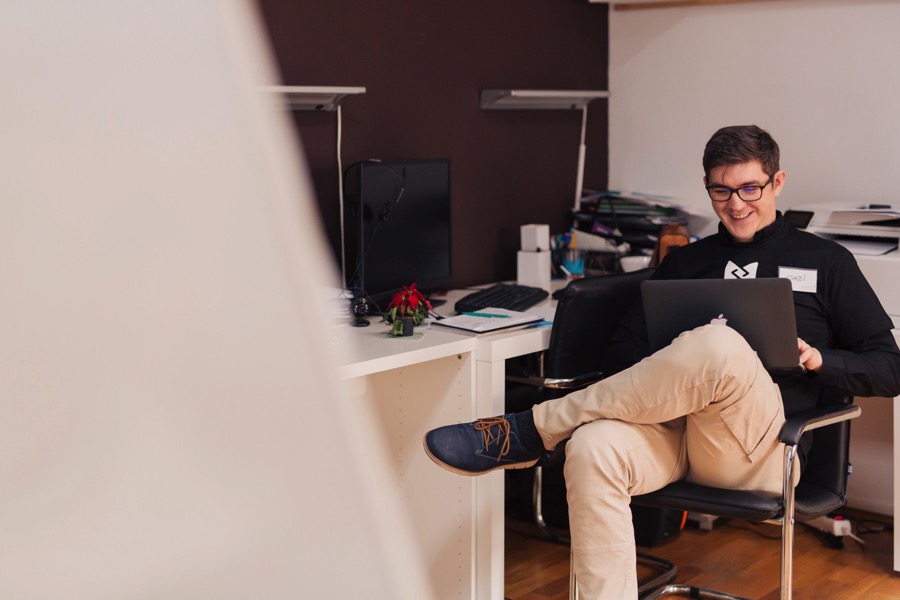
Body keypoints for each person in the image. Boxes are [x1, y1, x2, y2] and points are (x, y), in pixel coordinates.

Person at [423, 125, 900, 599]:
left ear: (777, 182)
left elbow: (889, 368)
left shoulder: (828, 261)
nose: (736, 204)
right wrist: (676, 359)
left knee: (720, 345)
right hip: (671, 432)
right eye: (721, 190)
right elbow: (622, 356)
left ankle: (531, 429)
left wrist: (820, 361)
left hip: (761, 448)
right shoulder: (684, 262)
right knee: (592, 445)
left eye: (749, 188)